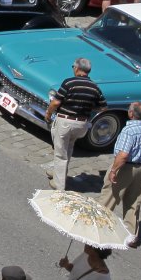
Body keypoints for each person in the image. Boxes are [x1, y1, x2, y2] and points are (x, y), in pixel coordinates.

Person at [100, 101, 141, 246]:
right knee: (134, 202)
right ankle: (131, 235)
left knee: (109, 197)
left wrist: (113, 170)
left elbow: (123, 155)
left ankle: (99, 228)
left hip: (125, 167)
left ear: (131, 114)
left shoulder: (129, 130)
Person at [44, 57, 106, 189]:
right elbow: (103, 107)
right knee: (68, 148)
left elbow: (55, 102)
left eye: (73, 66)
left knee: (60, 153)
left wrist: (48, 114)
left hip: (65, 122)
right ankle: (57, 173)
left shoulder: (69, 82)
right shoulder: (95, 87)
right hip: (81, 125)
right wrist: (88, 107)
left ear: (77, 68)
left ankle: (59, 184)